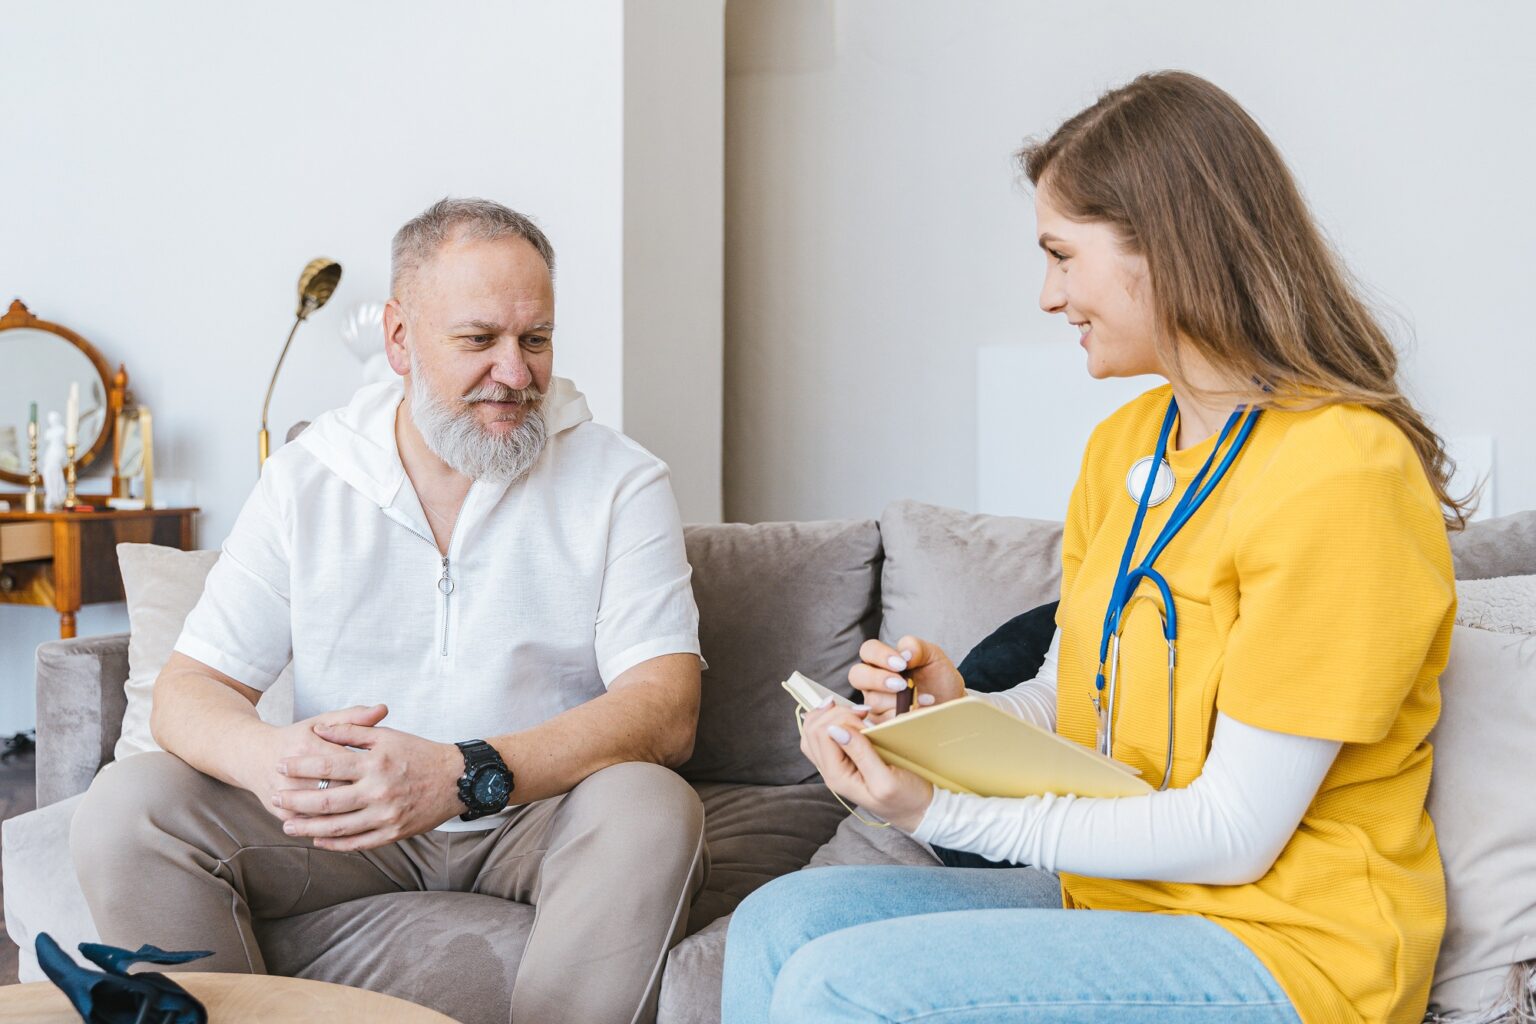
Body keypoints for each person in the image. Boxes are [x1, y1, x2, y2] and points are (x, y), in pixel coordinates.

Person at [722, 71, 1463, 1024]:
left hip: (1291, 951)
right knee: (785, 922)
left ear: (1167, 248)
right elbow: (1080, 705)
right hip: (1128, 901)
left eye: (1062, 256)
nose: (1046, 295)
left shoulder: (1343, 475)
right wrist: (954, 717)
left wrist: (939, 813)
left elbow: (1234, 833)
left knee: (845, 987)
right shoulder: (1127, 446)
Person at [72, 197, 708, 1024]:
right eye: (480, 340)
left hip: (537, 811)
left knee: (652, 807)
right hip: (343, 822)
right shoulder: (308, 477)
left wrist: (461, 772)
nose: (516, 373)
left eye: (536, 340)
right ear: (401, 340)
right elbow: (192, 687)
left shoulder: (622, 481)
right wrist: (267, 760)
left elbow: (666, 709)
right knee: (129, 806)